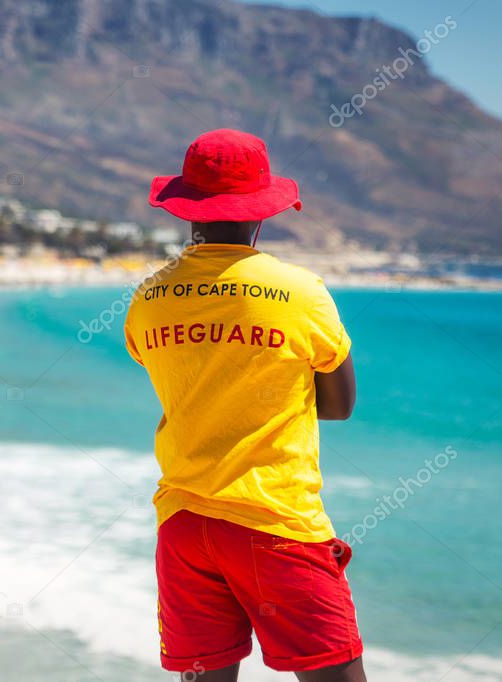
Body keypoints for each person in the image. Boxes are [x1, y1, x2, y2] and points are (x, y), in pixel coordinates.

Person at [125, 129, 363, 681]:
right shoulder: (302, 292)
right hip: (275, 522)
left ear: (188, 212)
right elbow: (339, 405)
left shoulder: (149, 296)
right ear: (262, 214)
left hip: (184, 523)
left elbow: (183, 382)